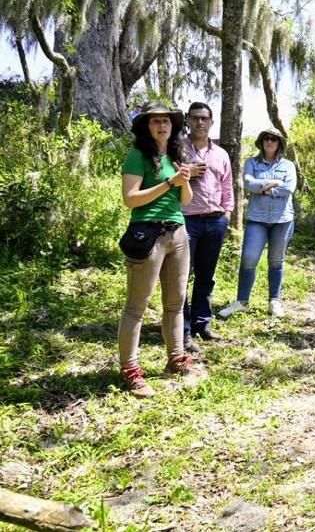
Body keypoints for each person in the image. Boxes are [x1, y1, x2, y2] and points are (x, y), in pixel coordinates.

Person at [118, 101, 203, 397]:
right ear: (146, 126)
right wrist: (169, 182)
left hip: (177, 232)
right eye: (155, 121)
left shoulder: (175, 156)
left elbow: (184, 200)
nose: (162, 125)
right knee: (136, 306)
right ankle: (130, 370)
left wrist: (184, 180)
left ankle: (176, 359)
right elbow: (131, 199)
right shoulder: (137, 156)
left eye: (166, 121)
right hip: (148, 233)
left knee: (176, 302)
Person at [219, 128, 297, 319]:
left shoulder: (288, 165)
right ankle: (242, 302)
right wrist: (273, 184)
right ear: (261, 142)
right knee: (249, 259)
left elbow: (289, 188)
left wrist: (262, 188)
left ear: (279, 143)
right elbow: (248, 183)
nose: (270, 142)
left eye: (274, 139)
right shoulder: (252, 162)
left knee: (276, 261)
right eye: (266, 139)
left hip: (282, 219)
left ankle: (274, 301)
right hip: (257, 219)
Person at [180, 102, 234, 353]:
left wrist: (227, 214)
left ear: (211, 122)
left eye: (204, 118)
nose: (200, 122)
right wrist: (187, 173)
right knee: (182, 276)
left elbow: (227, 187)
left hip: (215, 221)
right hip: (187, 220)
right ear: (188, 121)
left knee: (206, 275)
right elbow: (167, 180)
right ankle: (183, 330)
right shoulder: (177, 149)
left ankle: (203, 323)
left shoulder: (221, 154)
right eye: (195, 118)